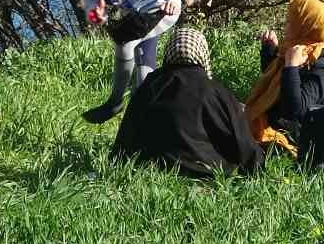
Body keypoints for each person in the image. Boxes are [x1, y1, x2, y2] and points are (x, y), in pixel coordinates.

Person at [53, 0, 182, 123]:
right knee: (143, 77)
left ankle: (115, 103)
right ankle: (145, 122)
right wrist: (95, 14)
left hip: (161, 7)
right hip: (136, 15)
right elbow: (90, 2)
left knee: (125, 44)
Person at [111, 27, 265, 177]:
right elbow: (240, 137)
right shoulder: (214, 91)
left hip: (153, 169)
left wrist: (118, 160)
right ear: (202, 52)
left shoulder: (150, 85)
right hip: (206, 172)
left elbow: (128, 131)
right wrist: (256, 166)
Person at [246, 0, 324, 154]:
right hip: (275, 122)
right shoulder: (296, 49)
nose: (285, 28)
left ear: (305, 26)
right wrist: (271, 52)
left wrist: (291, 67)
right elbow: (277, 87)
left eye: (290, 23)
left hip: (295, 136)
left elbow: (295, 110)